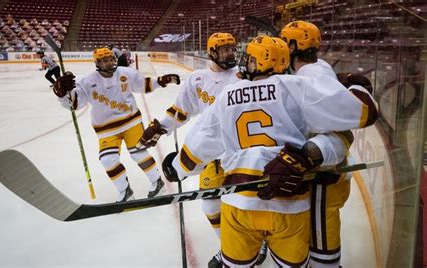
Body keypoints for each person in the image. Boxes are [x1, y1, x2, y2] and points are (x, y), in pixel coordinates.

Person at [161, 36, 378, 267]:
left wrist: (177, 168)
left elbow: (199, 145)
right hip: (290, 203)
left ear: (260, 62)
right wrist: (356, 86)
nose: (246, 63)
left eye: (251, 59)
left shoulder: (228, 95)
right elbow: (364, 114)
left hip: (240, 203)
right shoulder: (297, 87)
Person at [137, 32, 264, 267]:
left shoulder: (243, 76)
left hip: (241, 153)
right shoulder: (197, 79)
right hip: (209, 154)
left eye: (232, 48)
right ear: (212, 52)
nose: (230, 53)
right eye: (224, 49)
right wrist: (161, 128)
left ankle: (258, 243)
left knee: (247, 203)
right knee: (211, 205)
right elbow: (181, 110)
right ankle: (228, 247)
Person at [280, 20, 377, 268]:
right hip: (326, 170)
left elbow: (365, 113)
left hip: (324, 175)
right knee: (317, 230)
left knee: (321, 237)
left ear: (292, 46)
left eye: (284, 42)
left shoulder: (308, 81)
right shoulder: (319, 67)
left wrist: (358, 88)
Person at [52, 47, 180, 202]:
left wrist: (160, 82)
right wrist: (63, 95)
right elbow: (74, 105)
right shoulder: (85, 81)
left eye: (111, 59)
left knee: (138, 153)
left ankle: (157, 182)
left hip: (131, 121)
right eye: (104, 61)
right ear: (97, 63)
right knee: (108, 160)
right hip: (106, 129)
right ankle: (125, 190)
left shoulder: (126, 72)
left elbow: (143, 85)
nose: (109, 63)